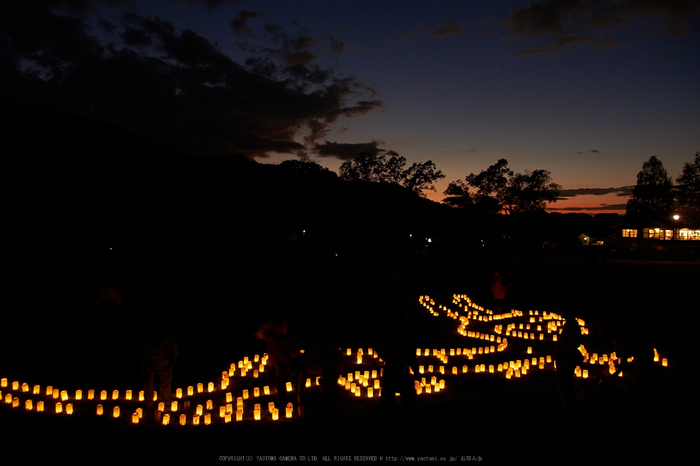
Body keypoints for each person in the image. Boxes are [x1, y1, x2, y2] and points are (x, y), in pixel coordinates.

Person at [289, 345, 344, 418]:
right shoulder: (303, 368)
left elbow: (324, 364)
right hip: (329, 363)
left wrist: (325, 380)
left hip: (334, 359)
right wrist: (300, 399)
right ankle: (328, 407)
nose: (297, 375)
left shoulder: (309, 360)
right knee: (326, 387)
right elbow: (301, 383)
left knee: (329, 387)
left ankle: (332, 409)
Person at [255, 321, 298, 399]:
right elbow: (257, 334)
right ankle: (287, 397)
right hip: (280, 354)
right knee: (281, 375)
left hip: (285, 353)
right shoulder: (269, 329)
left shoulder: (281, 341)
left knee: (288, 374)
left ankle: (296, 396)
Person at [554, 309, 583, 413]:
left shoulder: (571, 325)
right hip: (564, 356)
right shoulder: (570, 324)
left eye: (563, 311)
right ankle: (568, 405)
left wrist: (565, 356)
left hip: (566, 357)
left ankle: (569, 406)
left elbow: (572, 344)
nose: (561, 313)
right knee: (564, 381)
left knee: (565, 382)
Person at [142, 333, 178, 409]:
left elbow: (174, 354)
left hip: (164, 365)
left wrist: (170, 365)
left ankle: (165, 401)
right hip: (151, 365)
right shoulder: (154, 342)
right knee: (149, 383)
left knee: (165, 383)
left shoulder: (169, 342)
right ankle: (150, 402)